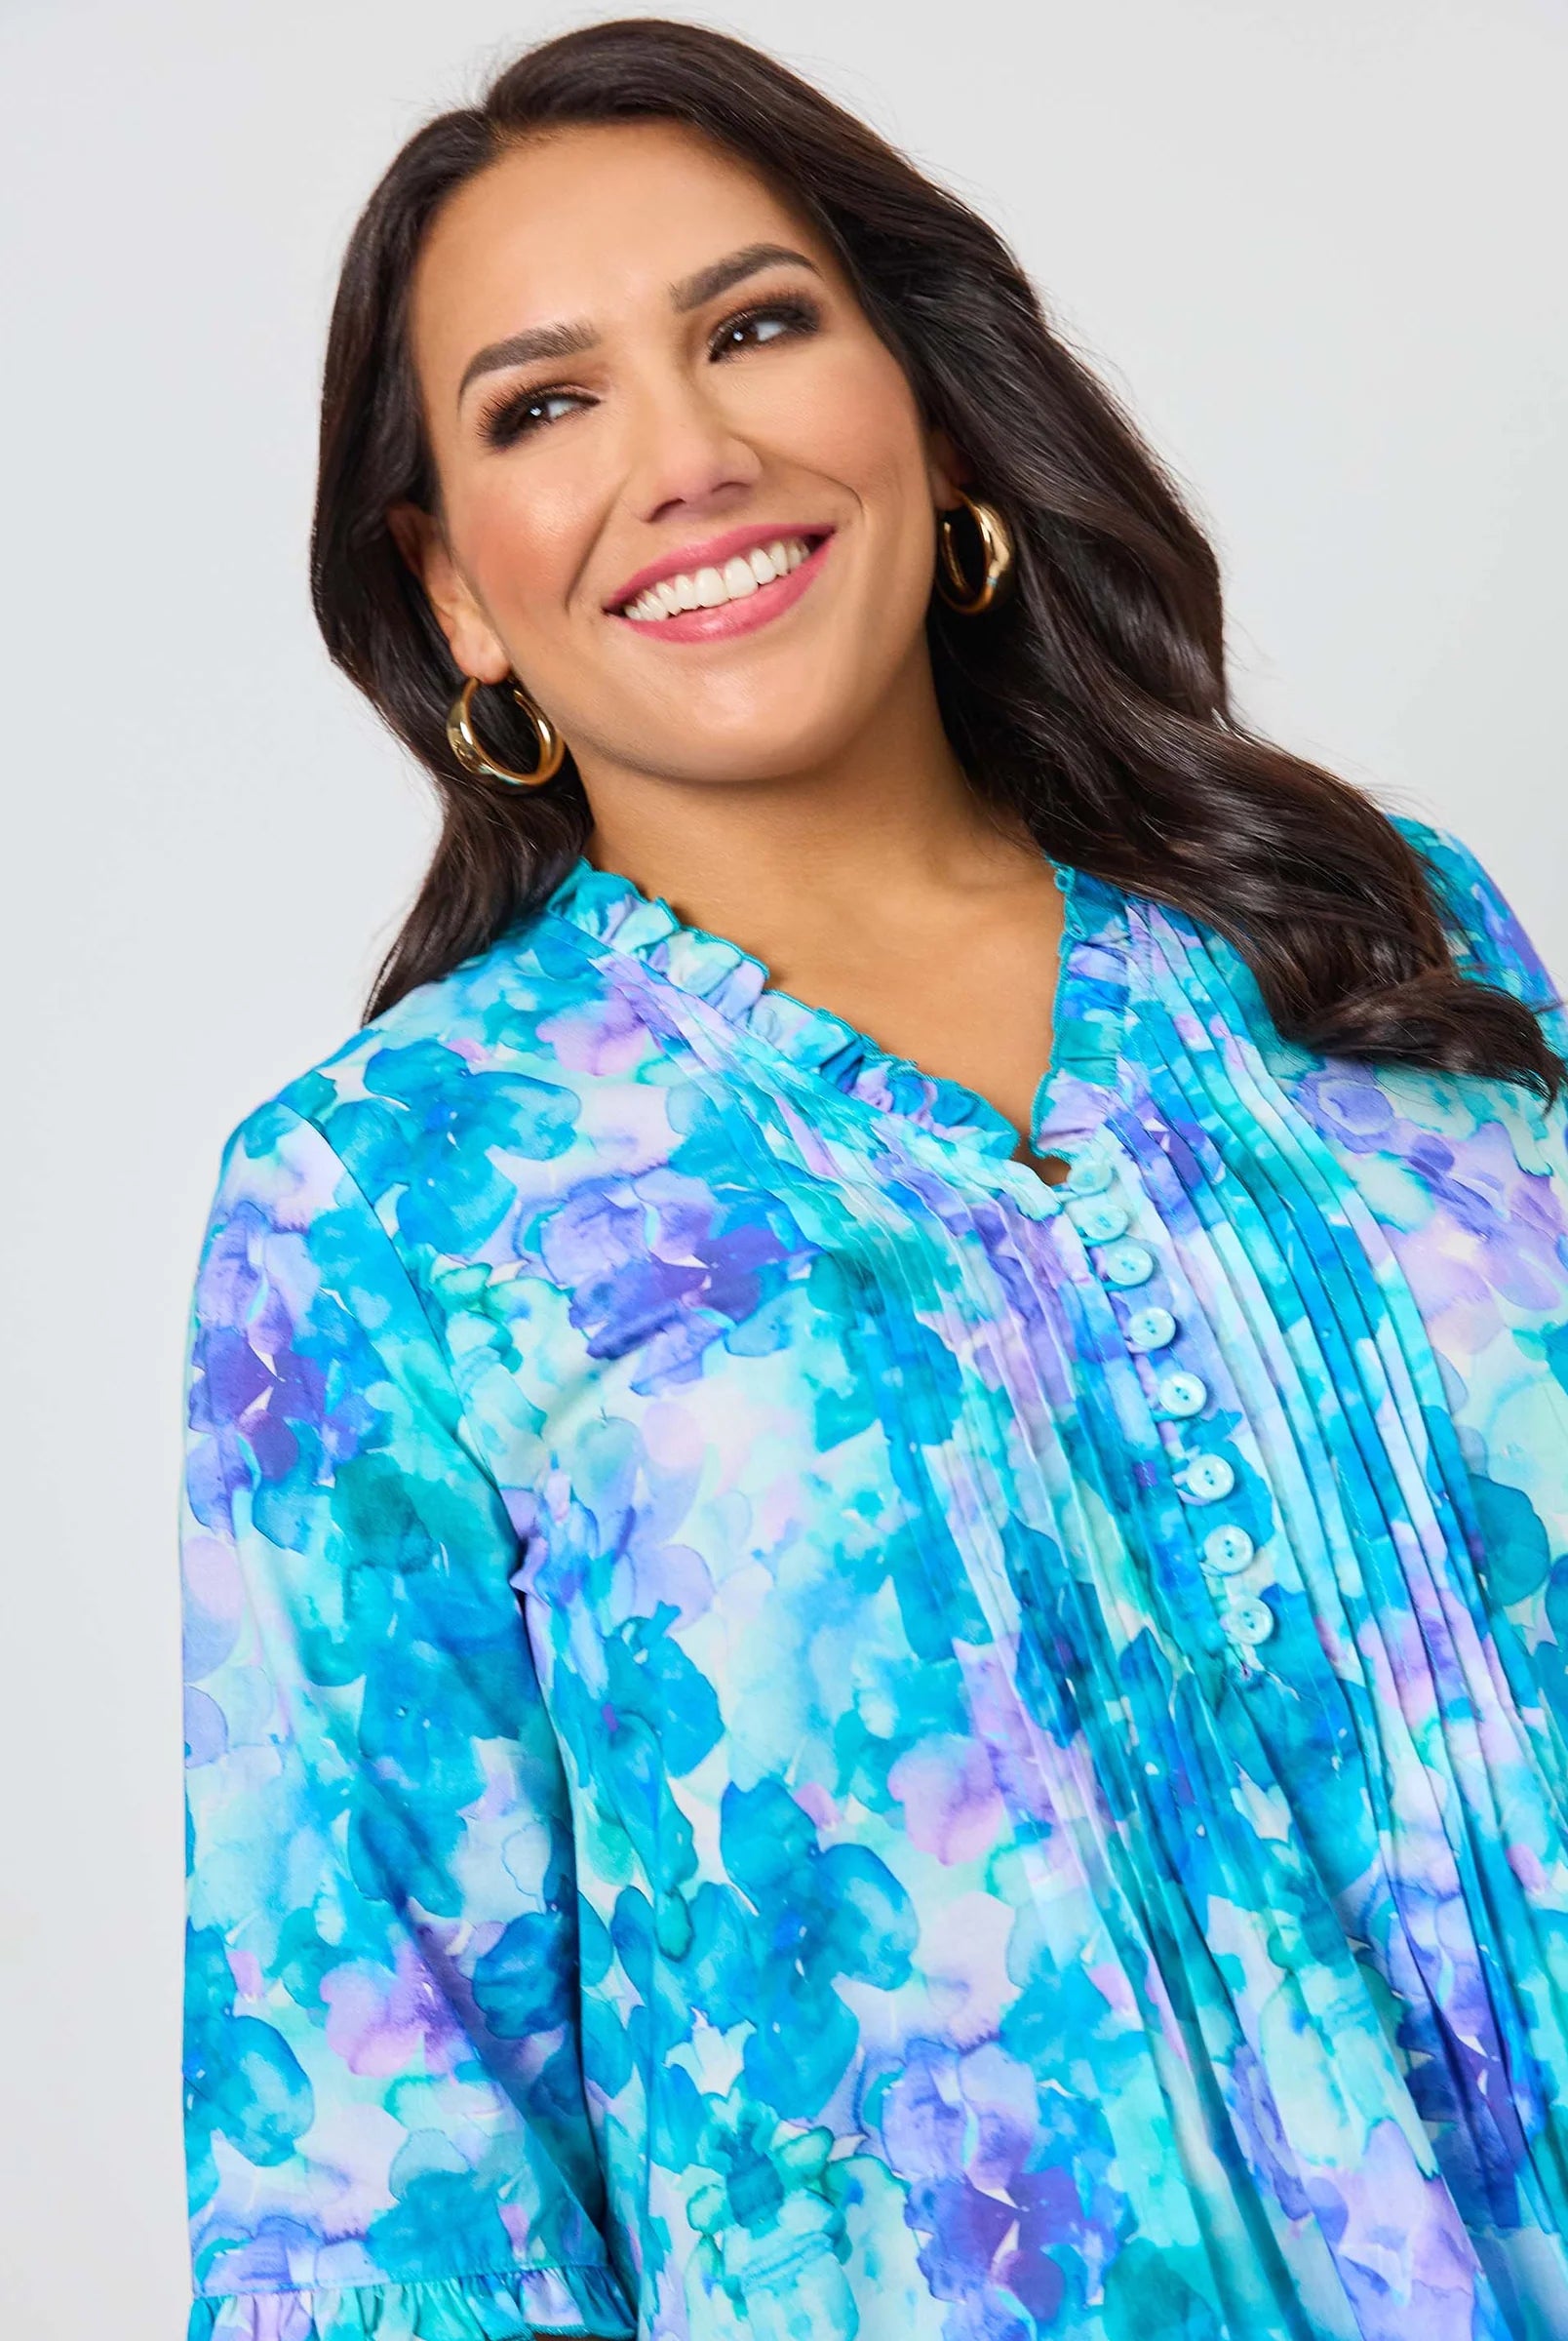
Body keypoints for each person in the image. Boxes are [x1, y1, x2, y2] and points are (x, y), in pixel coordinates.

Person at [177, 18, 1568, 2340]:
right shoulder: (388, 1205)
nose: (691, 454)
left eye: (754, 328)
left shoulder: (1369, 937)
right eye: (546, 406)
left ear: (924, 403)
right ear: (451, 592)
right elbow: (388, 2146)